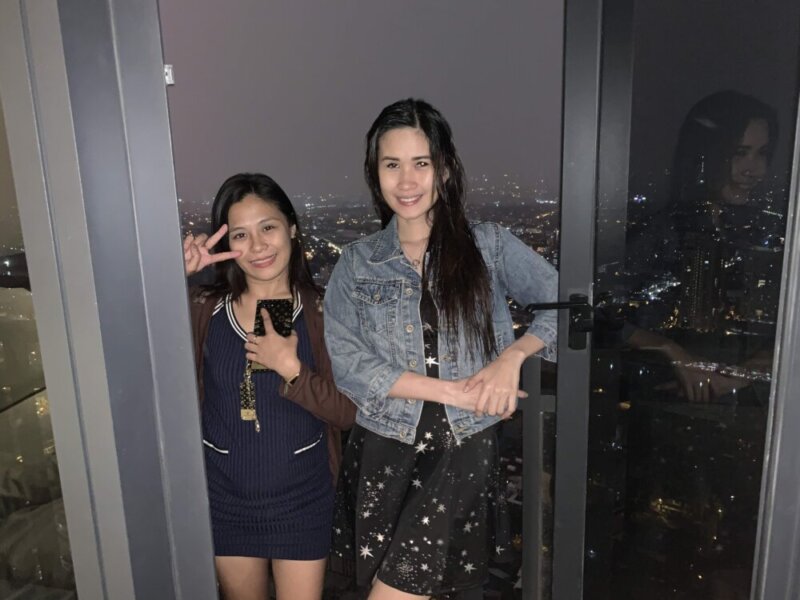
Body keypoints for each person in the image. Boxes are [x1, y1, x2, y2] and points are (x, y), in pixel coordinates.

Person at [323, 98, 558, 599]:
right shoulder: (357, 263)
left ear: (445, 169)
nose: (406, 181)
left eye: (421, 163)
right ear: (375, 174)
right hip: (386, 451)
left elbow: (566, 306)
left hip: (462, 452)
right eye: (392, 165)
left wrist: (511, 358)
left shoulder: (489, 247)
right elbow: (349, 365)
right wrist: (454, 391)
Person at [183, 173, 356, 600]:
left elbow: (349, 412)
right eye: (240, 234)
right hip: (225, 498)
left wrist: (293, 371)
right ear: (226, 244)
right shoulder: (203, 309)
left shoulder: (323, 311)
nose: (258, 246)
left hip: (303, 500)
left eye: (268, 227)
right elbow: (133, 347)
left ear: (292, 228)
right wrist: (172, 279)